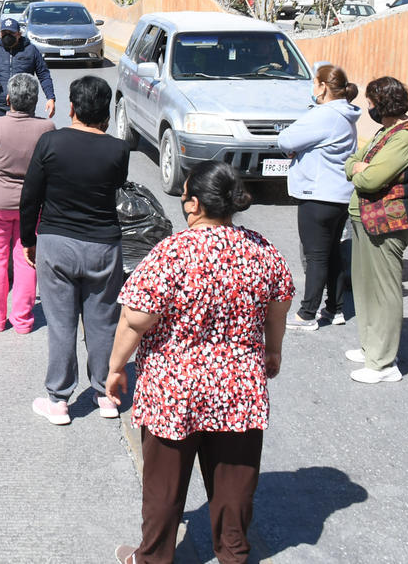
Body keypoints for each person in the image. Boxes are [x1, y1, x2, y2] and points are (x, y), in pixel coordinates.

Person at [107, 161, 293, 564]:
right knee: (234, 482)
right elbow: (280, 305)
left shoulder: (172, 252)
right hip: (238, 387)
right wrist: (272, 350)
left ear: (193, 205)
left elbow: (135, 318)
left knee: (164, 485)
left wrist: (116, 366)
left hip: (175, 388)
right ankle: (233, 554)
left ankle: (153, 557)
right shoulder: (261, 249)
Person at [20, 75, 129, 424]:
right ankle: (106, 395)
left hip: (57, 243)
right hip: (103, 246)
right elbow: (114, 187)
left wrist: (28, 240)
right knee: (103, 322)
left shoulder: (50, 143)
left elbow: (30, 197)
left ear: (71, 108)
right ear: (106, 112)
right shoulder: (118, 149)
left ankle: (59, 401)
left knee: (61, 323)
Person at [343, 76, 408, 384]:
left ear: (384, 104)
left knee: (384, 291)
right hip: (366, 218)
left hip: (387, 222)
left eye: (371, 104)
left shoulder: (405, 138)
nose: (370, 109)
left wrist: (361, 170)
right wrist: (359, 168)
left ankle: (383, 363)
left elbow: (369, 179)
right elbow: (353, 162)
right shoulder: (387, 131)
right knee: (365, 287)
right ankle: (371, 348)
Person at [277, 64, 360, 331]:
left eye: (315, 83)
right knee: (332, 253)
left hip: (317, 193)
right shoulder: (344, 114)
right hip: (338, 194)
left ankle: (307, 313)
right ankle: (335, 309)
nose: (313, 88)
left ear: (323, 87)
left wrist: (296, 148)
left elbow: (286, 140)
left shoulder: (325, 114)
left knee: (315, 256)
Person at [0, 73, 56, 333]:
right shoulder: (46, 129)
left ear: (8, 99)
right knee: (27, 260)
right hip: (32, 206)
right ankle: (23, 320)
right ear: (34, 102)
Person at [0, 17, 55, 120]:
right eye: (4, 33)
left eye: (11, 33)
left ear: (19, 34)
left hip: (24, 107)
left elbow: (44, 75)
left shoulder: (31, 51)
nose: (7, 36)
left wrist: (50, 98)